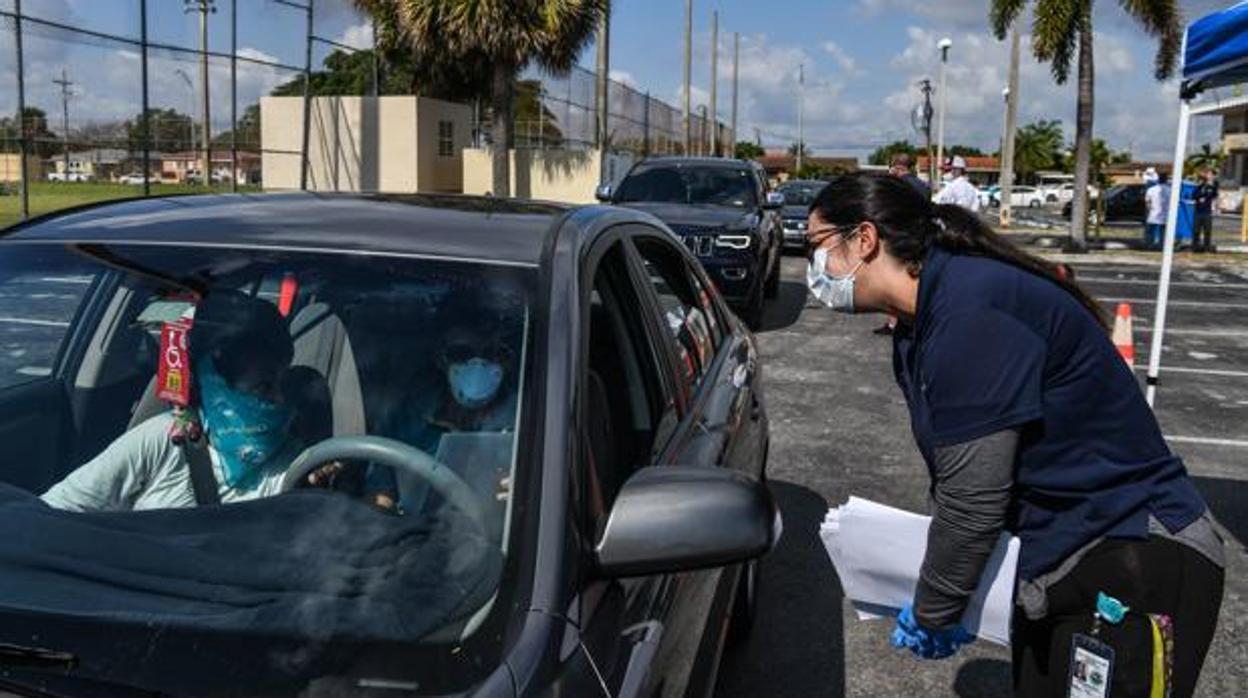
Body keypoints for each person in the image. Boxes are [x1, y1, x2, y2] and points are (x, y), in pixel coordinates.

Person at [806, 173, 1224, 697]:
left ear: (864, 239)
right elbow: (967, 472)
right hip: (1061, 562)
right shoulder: (922, 320)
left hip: (1132, 560)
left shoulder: (971, 312)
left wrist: (937, 608)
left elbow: (973, 498)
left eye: (817, 247)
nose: (813, 268)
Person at [42, 292, 304, 511]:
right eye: (264, 387)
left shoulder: (294, 461)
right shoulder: (161, 440)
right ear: (216, 388)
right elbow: (55, 510)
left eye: (284, 384)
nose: (280, 400)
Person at [875, 153, 929, 336]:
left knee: (894, 277)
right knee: (915, 276)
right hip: (919, 235)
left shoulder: (897, 186)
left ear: (897, 167)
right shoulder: (923, 186)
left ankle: (894, 323)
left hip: (900, 235)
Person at [1193, 167, 1219, 253]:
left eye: (1211, 174)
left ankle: (1206, 247)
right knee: (1196, 231)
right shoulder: (1199, 186)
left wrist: (1211, 184)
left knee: (1207, 231)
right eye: (1209, 174)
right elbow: (1193, 195)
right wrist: (1200, 196)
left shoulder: (1213, 186)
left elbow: (1214, 194)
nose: (1210, 176)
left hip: (1207, 212)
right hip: (1198, 211)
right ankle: (1195, 247)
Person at [1145, 172, 1170, 250]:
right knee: (1163, 232)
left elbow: (1147, 202)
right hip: (1165, 214)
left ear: (1158, 179)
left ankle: (1149, 245)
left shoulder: (1151, 189)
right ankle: (1162, 246)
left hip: (1153, 213)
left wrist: (1149, 210)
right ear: (1166, 180)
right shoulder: (1170, 190)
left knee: (1151, 231)